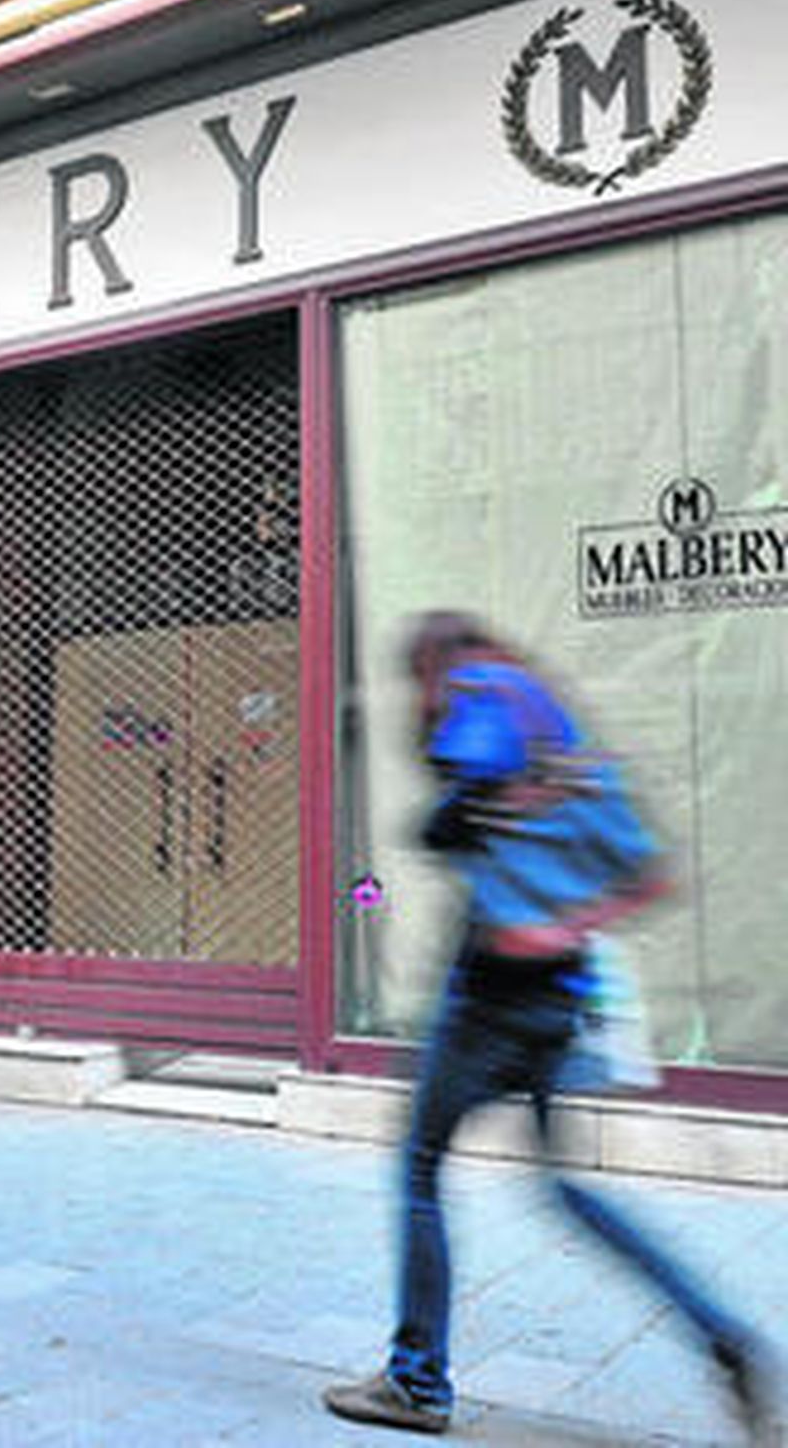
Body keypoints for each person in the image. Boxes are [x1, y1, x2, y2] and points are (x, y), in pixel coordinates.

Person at [323, 611, 777, 1444]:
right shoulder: (576, 766)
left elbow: (460, 790)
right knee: (566, 1187)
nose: (426, 699)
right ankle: (722, 1333)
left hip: (489, 1008)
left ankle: (417, 1380)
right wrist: (571, 920)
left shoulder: (484, 726)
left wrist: (546, 916)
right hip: (556, 1005)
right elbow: (647, 873)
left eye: (425, 678)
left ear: (449, 671)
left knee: (421, 1167)